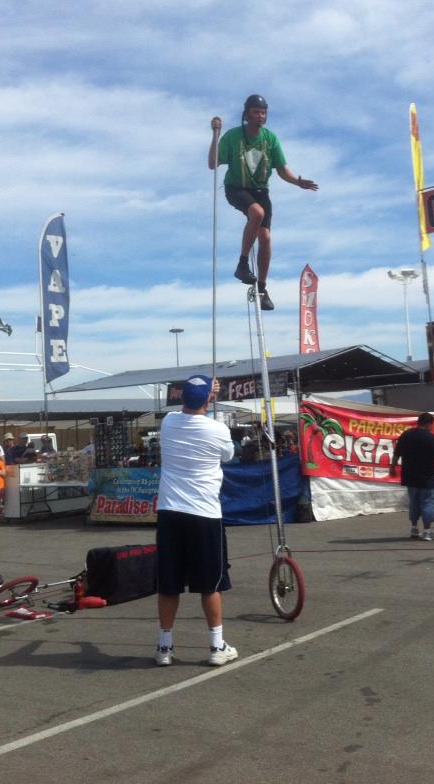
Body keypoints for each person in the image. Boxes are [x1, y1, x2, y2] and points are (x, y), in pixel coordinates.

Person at [155, 374, 237, 667]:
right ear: (208, 400)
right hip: (204, 514)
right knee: (209, 585)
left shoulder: (169, 423)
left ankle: (164, 646)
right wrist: (210, 396)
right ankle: (216, 647)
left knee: (169, 584)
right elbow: (228, 456)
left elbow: (193, 404)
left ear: (182, 398)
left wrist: (207, 392)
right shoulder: (218, 430)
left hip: (170, 512)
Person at [208, 95, 318, 311]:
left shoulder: (270, 139)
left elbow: (282, 170)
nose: (261, 116)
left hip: (260, 190)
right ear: (247, 114)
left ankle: (262, 287)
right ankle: (242, 264)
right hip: (236, 188)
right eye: (256, 112)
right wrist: (215, 135)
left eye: (263, 112)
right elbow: (213, 163)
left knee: (266, 237)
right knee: (256, 214)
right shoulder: (233, 137)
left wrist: (297, 182)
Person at [390, 412, 434, 541]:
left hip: (410, 476)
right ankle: (427, 531)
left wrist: (392, 467)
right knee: (428, 503)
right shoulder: (431, 438)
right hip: (427, 477)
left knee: (414, 503)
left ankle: (414, 529)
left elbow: (397, 453)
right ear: (428, 424)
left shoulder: (406, 435)